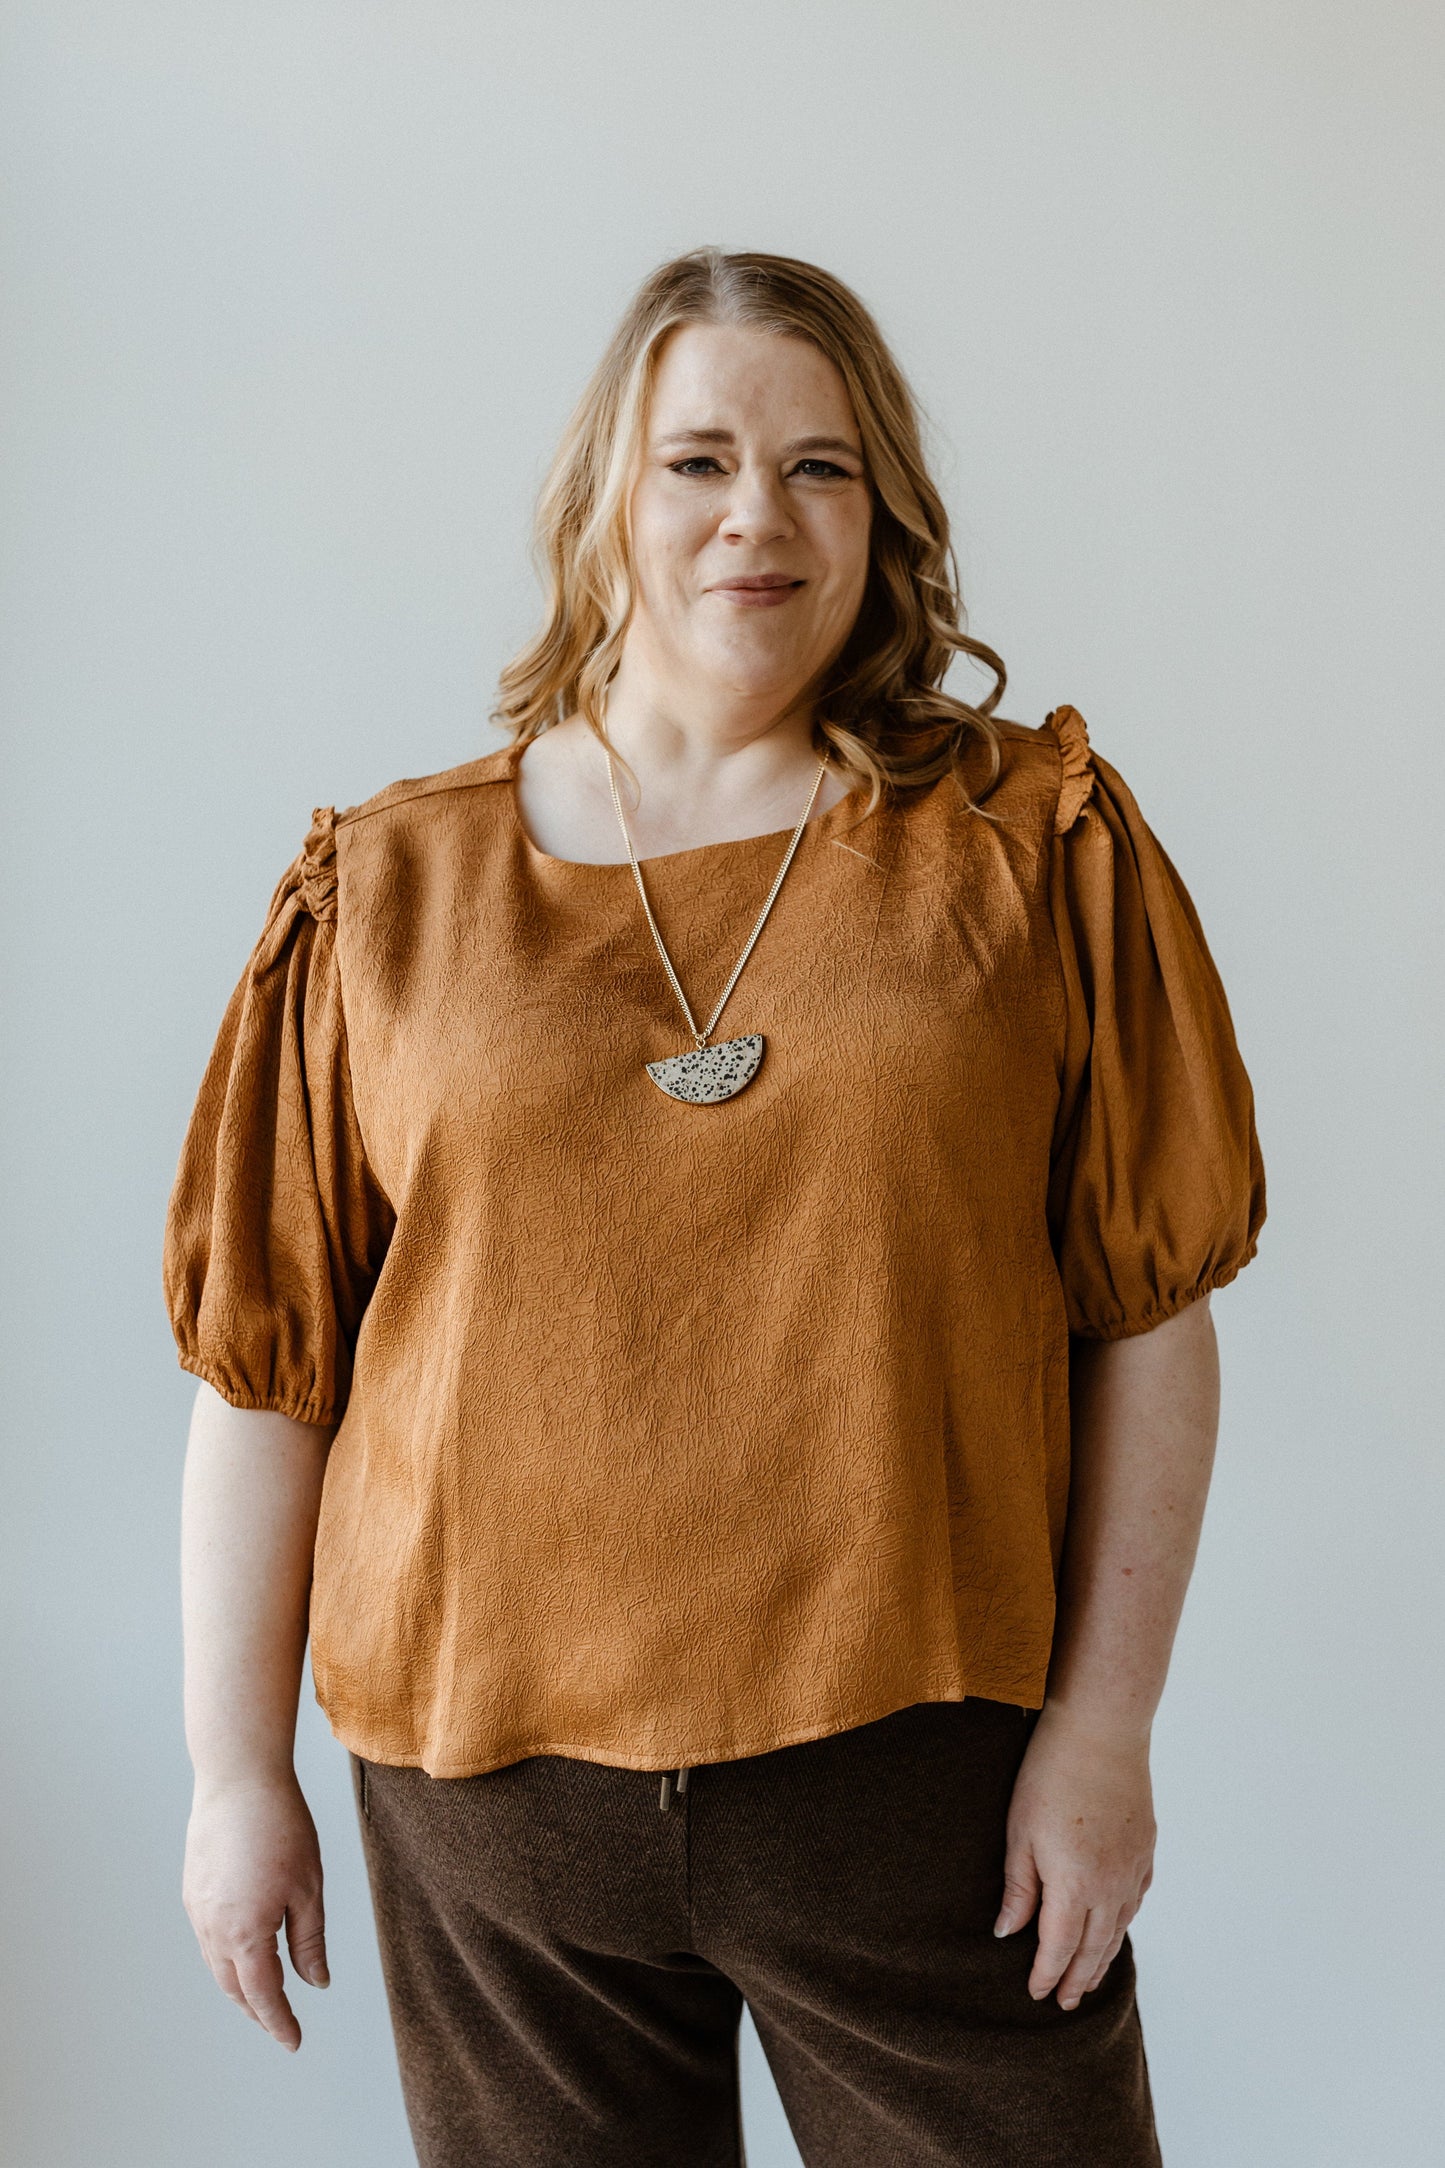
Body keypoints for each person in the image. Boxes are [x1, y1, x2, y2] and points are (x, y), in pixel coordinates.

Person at [166, 248, 1265, 2167]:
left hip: (926, 1792)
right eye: (697, 462)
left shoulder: (1030, 851)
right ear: (606, 498)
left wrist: (1103, 1737)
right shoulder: (384, 892)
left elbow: (1147, 1317)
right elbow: (271, 1376)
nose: (756, 514)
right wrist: (229, 1775)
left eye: (820, 467)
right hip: (489, 1808)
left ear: (886, 514)